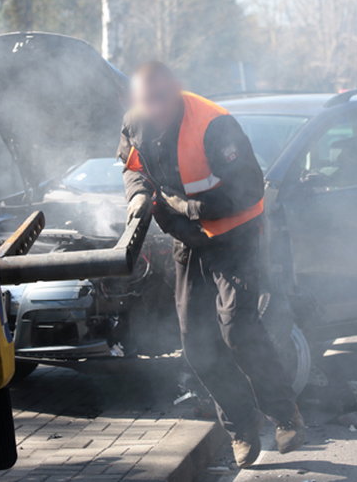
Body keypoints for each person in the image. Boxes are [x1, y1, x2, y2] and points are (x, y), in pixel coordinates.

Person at [117, 62, 305, 468]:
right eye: (146, 102)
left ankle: (285, 414)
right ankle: (241, 429)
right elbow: (133, 169)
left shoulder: (215, 125)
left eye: (161, 100)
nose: (154, 110)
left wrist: (186, 207)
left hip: (236, 235)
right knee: (197, 344)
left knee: (237, 328)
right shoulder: (136, 124)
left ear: (176, 92)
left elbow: (250, 188)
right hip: (190, 241)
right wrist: (136, 195)